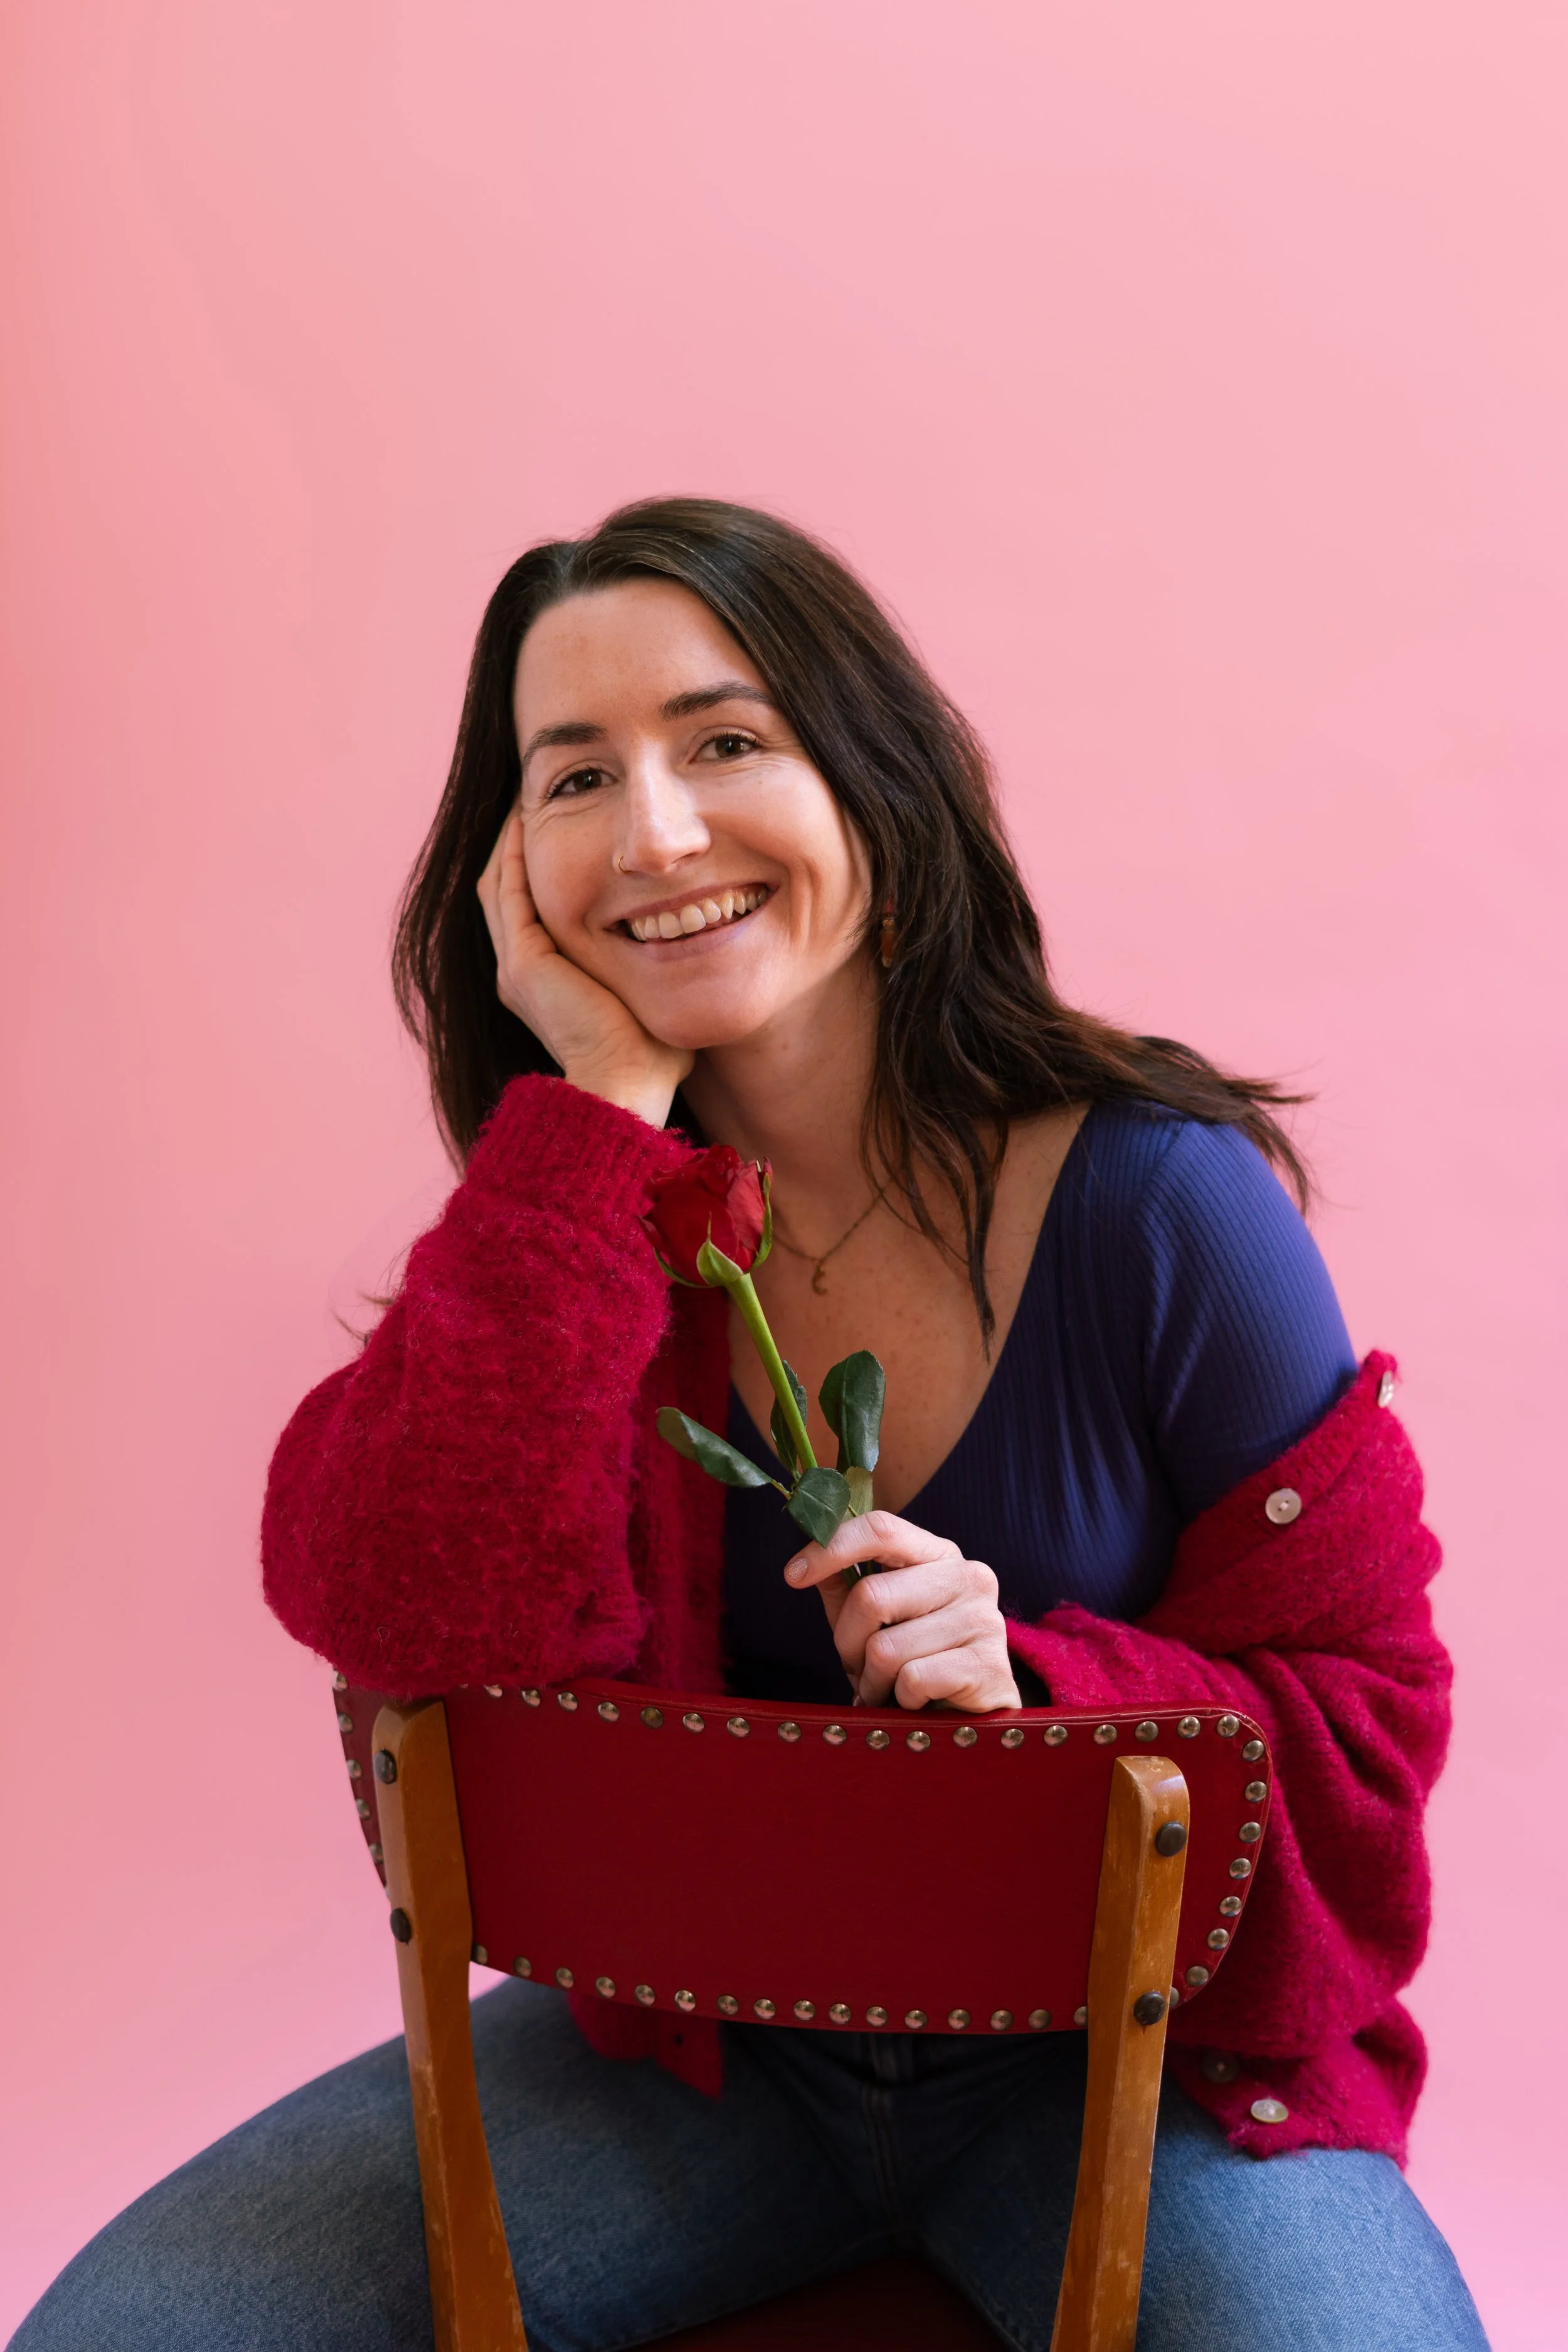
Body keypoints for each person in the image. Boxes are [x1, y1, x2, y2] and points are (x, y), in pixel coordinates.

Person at [11, 500, 1488, 2351]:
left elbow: (1369, 1721)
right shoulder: (562, 1232)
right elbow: (390, 1600)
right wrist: (598, 1120)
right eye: (573, 779)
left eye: (724, 741)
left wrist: (1037, 1687)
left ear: (870, 777)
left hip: (1115, 2065)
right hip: (688, 2053)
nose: (653, 834)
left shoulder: (1166, 1204)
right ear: (510, 870)